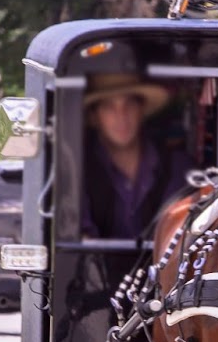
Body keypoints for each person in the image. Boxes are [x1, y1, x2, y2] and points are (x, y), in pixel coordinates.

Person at [80, 72, 189, 240]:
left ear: (142, 109)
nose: (121, 116)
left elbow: (183, 234)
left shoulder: (178, 166)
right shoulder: (78, 170)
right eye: (109, 106)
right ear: (95, 117)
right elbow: (81, 239)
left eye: (129, 104)